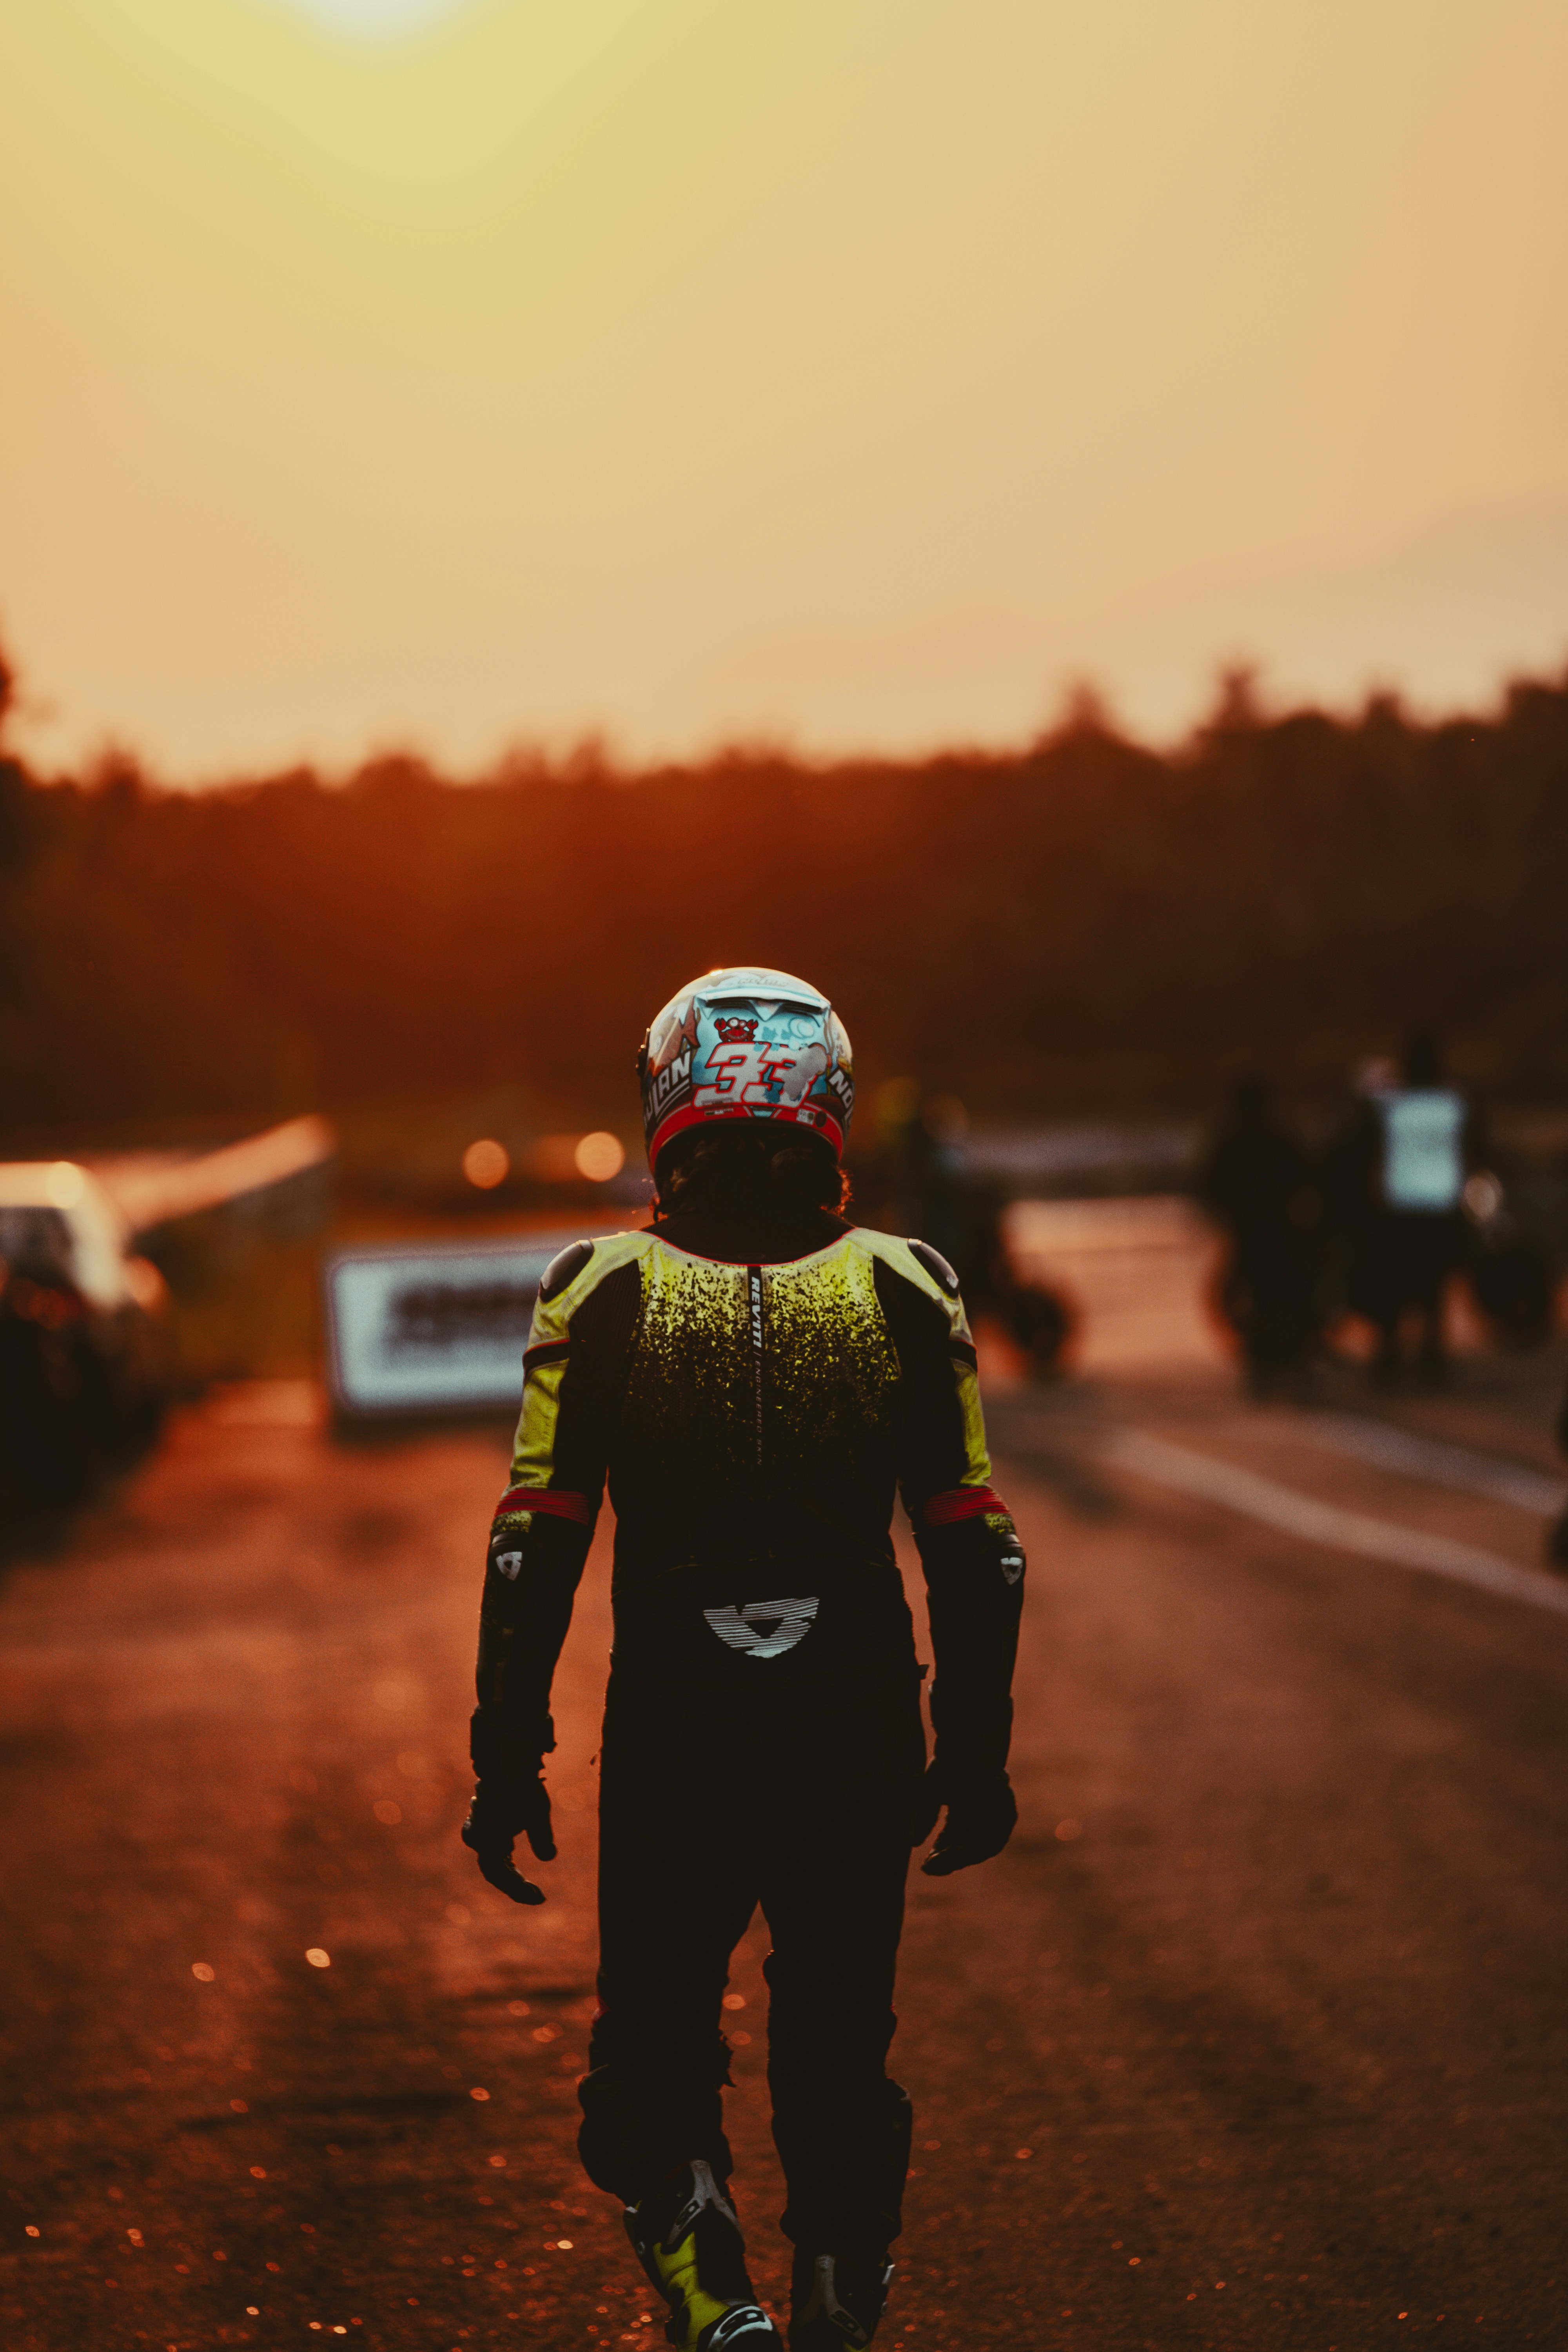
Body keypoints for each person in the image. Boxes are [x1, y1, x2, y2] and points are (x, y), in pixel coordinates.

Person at [461, 967, 1025, 2352]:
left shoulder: (597, 1287)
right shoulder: (908, 1282)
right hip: (855, 1723)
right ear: (827, 1096)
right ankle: (835, 2288)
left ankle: (715, 2295)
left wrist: (508, 1748)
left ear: (668, 1094)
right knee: (837, 2044)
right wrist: (977, 1747)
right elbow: (977, 1542)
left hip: (679, 1728)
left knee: (650, 2056)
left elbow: (534, 1538)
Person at [1196, 1074, 1321, 1390]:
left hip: (1249, 1233)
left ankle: (1264, 1357)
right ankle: (1291, 1356)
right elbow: (1308, 1177)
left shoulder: (1231, 1140)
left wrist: (1228, 1216)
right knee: (1291, 1293)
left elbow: (1206, 1187)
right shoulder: (1280, 1136)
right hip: (1281, 1232)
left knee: (1242, 1297)